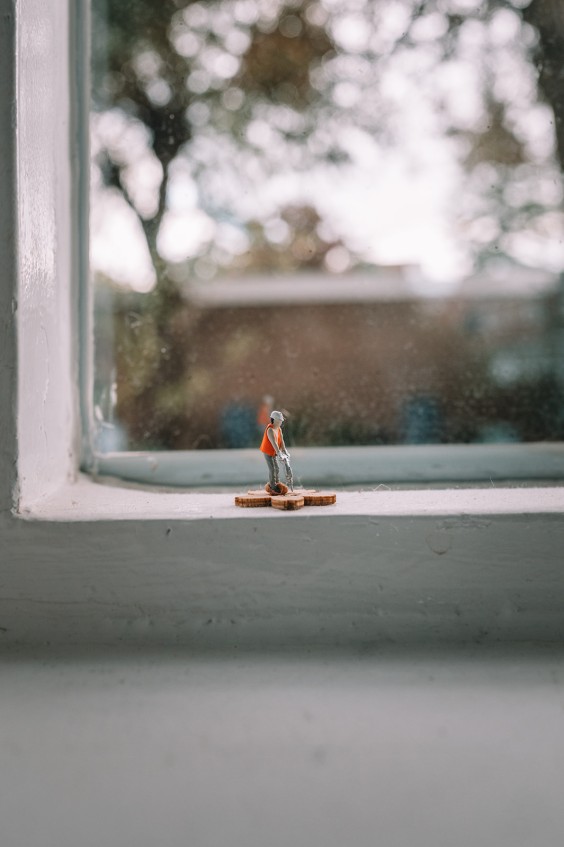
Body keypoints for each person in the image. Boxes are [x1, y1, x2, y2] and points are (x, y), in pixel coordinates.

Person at [259, 410, 290, 495]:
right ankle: (272, 486)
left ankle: (277, 482)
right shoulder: (270, 430)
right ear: (274, 420)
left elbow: (281, 441)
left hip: (274, 452)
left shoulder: (278, 429)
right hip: (268, 452)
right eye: (279, 421)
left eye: (281, 421)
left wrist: (284, 450)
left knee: (277, 468)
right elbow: (274, 443)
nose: (281, 422)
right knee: (272, 469)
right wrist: (279, 452)